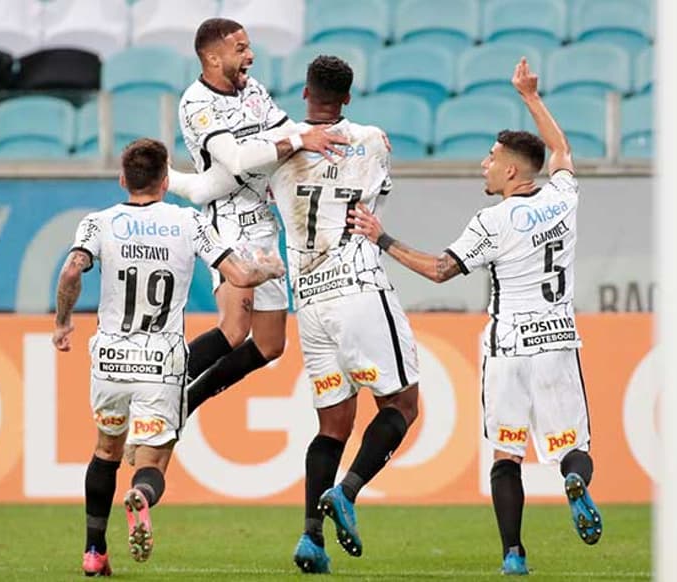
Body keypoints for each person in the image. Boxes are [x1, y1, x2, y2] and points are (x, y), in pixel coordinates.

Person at [349, 58, 601, 576]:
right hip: (556, 341)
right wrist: (531, 97)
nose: (484, 165)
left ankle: (513, 554)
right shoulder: (562, 199)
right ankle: (574, 481)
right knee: (570, 447)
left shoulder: (492, 220)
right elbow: (562, 151)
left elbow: (441, 270)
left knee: (506, 457)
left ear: (511, 170)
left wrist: (383, 238)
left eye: (491, 159)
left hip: (507, 347)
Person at [171, 55, 419, 574]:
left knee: (333, 423)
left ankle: (311, 538)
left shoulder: (277, 155)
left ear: (305, 94)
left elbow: (214, 184)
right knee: (403, 403)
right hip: (358, 286)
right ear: (347, 98)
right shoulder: (373, 139)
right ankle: (347, 491)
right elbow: (376, 198)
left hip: (310, 301)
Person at [52, 138, 285, 577]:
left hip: (110, 358)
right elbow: (239, 274)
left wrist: (63, 323)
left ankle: (94, 551)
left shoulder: (98, 222)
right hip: (163, 362)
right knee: (152, 461)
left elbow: (70, 271)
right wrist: (269, 270)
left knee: (105, 450)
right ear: (164, 181)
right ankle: (141, 493)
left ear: (123, 179)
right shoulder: (187, 221)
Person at [168, 17, 348, 417]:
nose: (250, 55)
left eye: (249, 46)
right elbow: (234, 159)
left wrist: (356, 133)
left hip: (265, 221)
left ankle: (186, 399)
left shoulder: (252, 89)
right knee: (234, 329)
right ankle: (165, 382)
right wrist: (297, 141)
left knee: (269, 345)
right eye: (241, 49)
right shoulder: (197, 102)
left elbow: (287, 128)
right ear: (213, 57)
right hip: (229, 221)